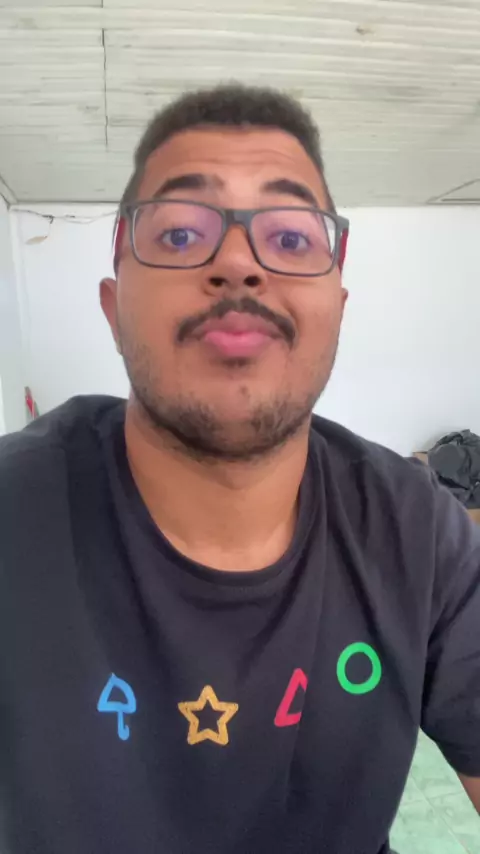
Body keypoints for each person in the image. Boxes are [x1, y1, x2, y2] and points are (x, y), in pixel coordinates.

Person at [0, 84, 478, 854]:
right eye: (179, 233)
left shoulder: (420, 532)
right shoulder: (13, 518)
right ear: (113, 308)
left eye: (290, 237)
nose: (236, 263)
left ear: (337, 312)